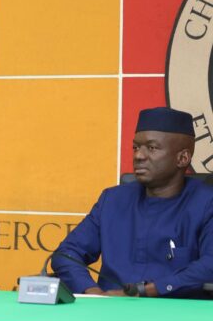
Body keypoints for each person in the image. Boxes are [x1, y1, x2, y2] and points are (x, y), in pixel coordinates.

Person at [52, 107, 213, 299]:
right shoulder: (112, 200)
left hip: (176, 311)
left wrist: (145, 291)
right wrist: (94, 294)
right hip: (109, 310)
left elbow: (209, 266)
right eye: (136, 147)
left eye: (152, 148)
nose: (138, 156)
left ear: (183, 158)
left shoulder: (206, 203)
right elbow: (67, 253)